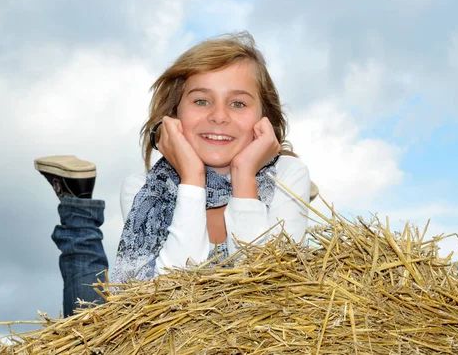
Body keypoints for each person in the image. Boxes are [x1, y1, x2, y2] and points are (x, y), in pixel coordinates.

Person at [35, 32, 316, 316]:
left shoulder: (288, 176)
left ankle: (77, 202)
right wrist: (192, 180)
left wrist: (245, 179)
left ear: (263, 118)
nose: (219, 116)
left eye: (238, 103)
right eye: (201, 101)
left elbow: (272, 296)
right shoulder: (144, 189)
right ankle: (78, 210)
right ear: (174, 114)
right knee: (88, 322)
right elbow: (165, 308)